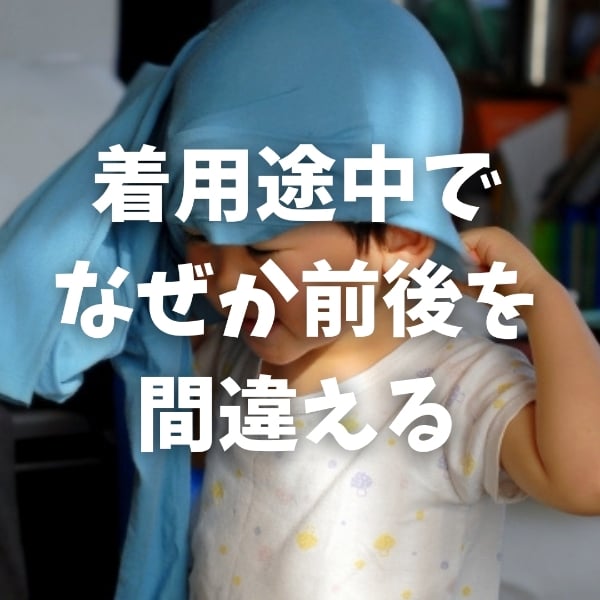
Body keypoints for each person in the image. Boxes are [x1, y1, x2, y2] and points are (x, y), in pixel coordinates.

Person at [1, 1, 599, 599]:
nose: (225, 282)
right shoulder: (239, 357)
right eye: (200, 236)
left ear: (399, 238)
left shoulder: (453, 388)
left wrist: (543, 300)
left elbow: (585, 480)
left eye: (261, 250)